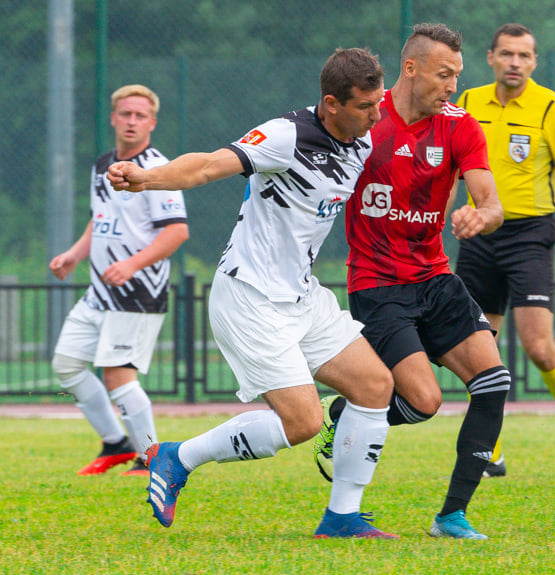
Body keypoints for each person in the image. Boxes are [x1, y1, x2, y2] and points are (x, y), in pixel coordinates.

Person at [106, 48, 398, 539]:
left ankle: (342, 518)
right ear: (331, 103)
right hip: (250, 297)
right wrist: (146, 178)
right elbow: (206, 166)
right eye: (367, 106)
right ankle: (178, 456)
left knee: (375, 387)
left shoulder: (360, 137)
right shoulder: (286, 135)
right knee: (302, 421)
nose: (377, 114)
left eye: (378, 102)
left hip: (302, 296)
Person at [314, 23, 511, 540]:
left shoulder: (461, 126)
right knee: (423, 403)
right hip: (378, 284)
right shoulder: (365, 122)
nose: (452, 85)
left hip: (435, 277)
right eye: (444, 74)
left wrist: (479, 216)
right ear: (410, 68)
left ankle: (452, 516)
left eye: (457, 76)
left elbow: (491, 201)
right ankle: (348, 413)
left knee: (494, 384)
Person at [455, 23, 555, 478]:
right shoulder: (467, 103)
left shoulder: (551, 107)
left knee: (538, 345)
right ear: (491, 57)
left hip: (530, 235)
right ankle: (489, 442)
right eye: (508, 54)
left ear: (534, 62)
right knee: (477, 348)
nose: (516, 63)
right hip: (478, 234)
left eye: (525, 56)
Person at [50, 84, 189, 477]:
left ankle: (151, 458)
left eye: (140, 116)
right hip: (99, 293)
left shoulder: (156, 169)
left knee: (117, 375)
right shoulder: (103, 165)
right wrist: (74, 256)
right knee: (67, 365)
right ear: (113, 118)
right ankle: (116, 443)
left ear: (152, 123)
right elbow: (101, 219)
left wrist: (131, 265)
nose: (131, 121)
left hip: (136, 293)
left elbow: (176, 232)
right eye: (125, 114)